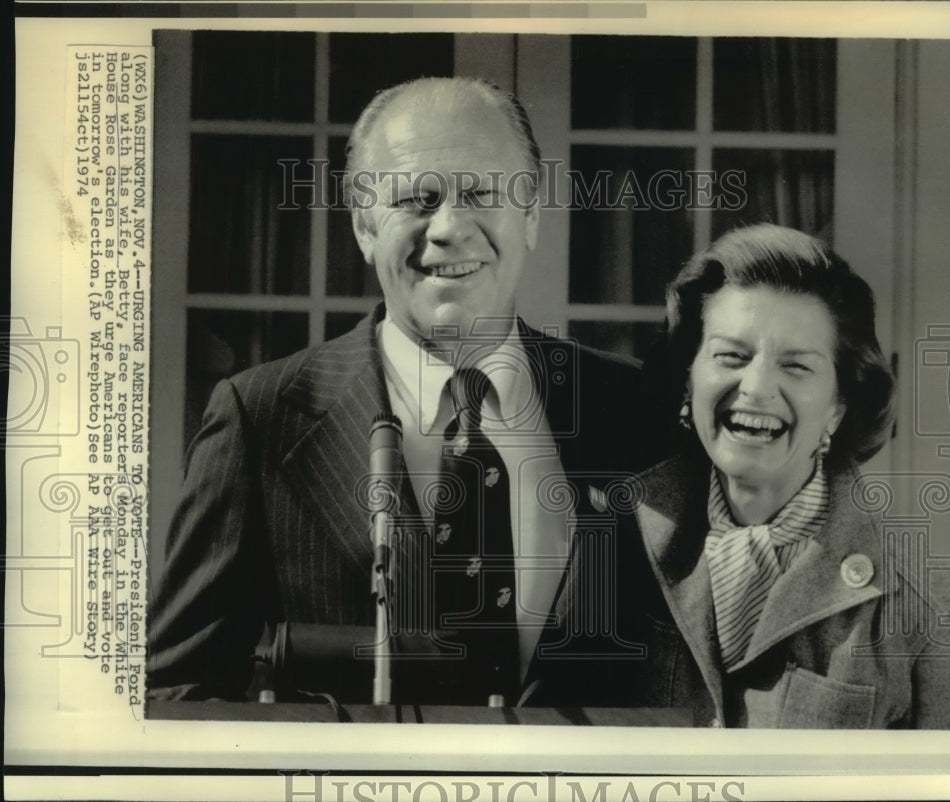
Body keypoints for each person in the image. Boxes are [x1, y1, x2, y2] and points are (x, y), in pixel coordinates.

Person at [146, 77, 646, 706]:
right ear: (363, 226)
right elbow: (174, 695)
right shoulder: (259, 420)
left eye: (482, 193)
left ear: (531, 215)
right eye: (417, 198)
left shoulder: (632, 406)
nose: (449, 228)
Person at [539, 224, 950, 728]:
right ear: (688, 380)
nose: (757, 388)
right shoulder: (609, 546)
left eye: (796, 366)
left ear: (837, 406)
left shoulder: (933, 607)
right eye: (732, 356)